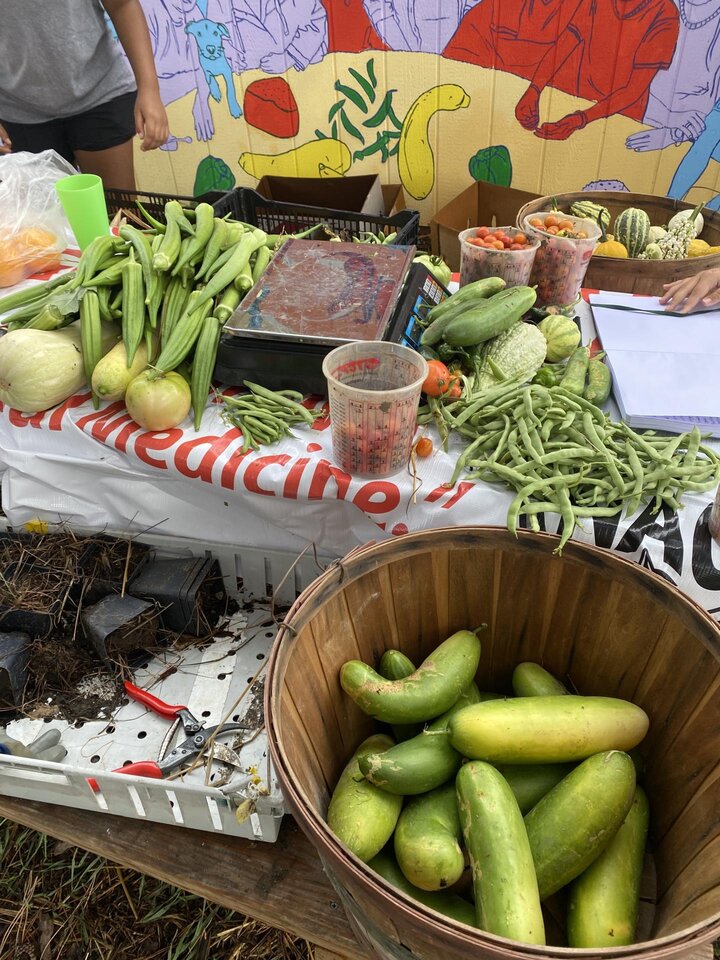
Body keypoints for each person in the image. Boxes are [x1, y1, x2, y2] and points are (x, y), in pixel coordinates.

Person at [0, 0, 169, 191]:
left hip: (98, 93)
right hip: (19, 109)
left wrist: (150, 89)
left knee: (117, 213)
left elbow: (122, 5)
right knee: (45, 217)